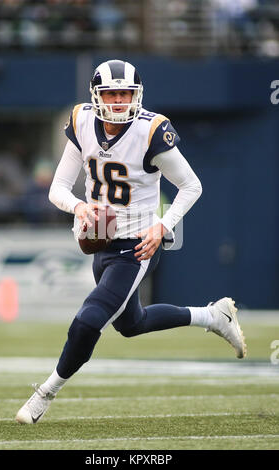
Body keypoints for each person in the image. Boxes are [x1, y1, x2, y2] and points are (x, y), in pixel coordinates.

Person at [16, 59, 246, 424]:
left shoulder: (151, 130)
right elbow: (58, 189)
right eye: (112, 93)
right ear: (97, 95)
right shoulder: (82, 122)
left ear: (136, 95)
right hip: (100, 241)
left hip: (137, 245)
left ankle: (45, 393)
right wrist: (79, 207)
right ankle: (212, 316)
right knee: (130, 324)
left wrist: (162, 227)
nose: (120, 100)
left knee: (89, 320)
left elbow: (192, 186)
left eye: (126, 93)